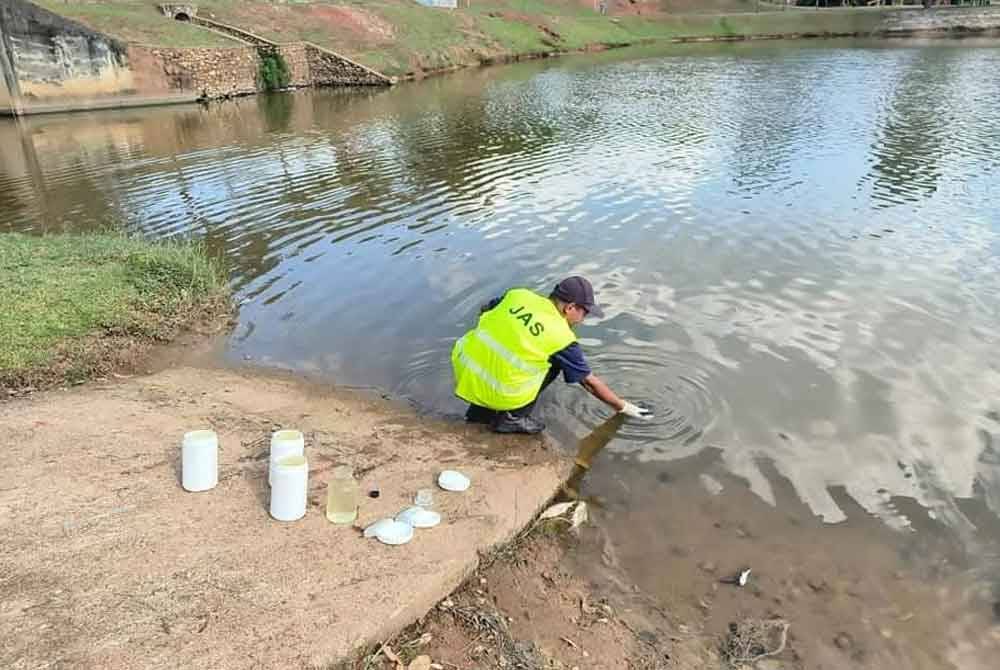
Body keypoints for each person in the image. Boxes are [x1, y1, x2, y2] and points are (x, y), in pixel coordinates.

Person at [451, 276, 653, 434]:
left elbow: (485, 309)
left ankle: (478, 412)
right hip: (495, 387)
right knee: (555, 363)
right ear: (570, 307)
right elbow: (589, 383)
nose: (582, 319)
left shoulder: (518, 295)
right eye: (584, 313)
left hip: (464, 368)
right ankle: (511, 419)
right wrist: (624, 407)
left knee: (508, 346)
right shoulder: (561, 337)